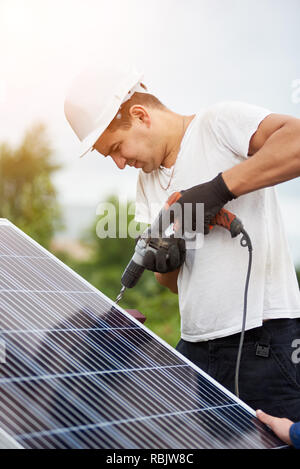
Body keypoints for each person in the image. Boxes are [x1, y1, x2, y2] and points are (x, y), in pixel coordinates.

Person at [64, 64, 300, 421]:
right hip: (197, 345)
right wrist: (167, 262)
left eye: (116, 147)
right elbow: (172, 285)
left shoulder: (218, 125)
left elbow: (296, 141)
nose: (119, 163)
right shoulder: (146, 182)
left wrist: (219, 189)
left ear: (140, 115)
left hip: (263, 338)